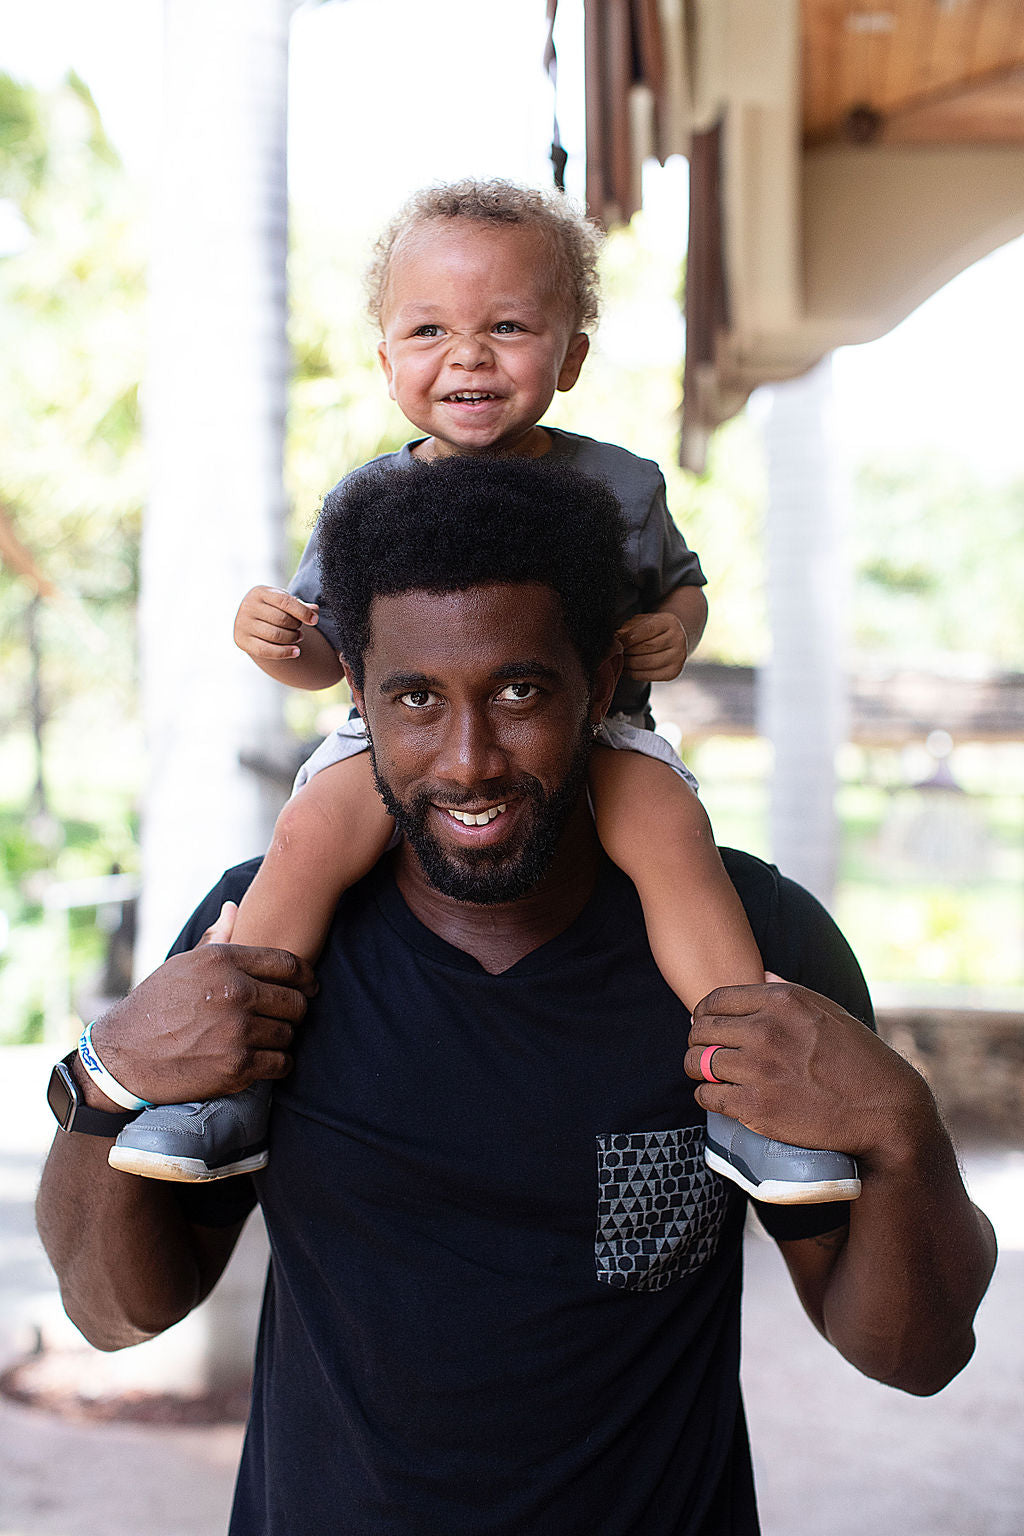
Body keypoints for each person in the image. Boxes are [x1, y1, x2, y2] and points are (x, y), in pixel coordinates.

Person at [38, 455, 995, 1536]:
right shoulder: (261, 946)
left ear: (598, 685)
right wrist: (105, 1076)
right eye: (413, 698)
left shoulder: (756, 944)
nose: (470, 759)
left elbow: (914, 1355)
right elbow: (117, 1313)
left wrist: (905, 1132)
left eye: (519, 691)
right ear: (355, 696)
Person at [109, 179, 856, 1203]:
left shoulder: (620, 486)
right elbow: (331, 660)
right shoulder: (368, 499)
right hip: (397, 742)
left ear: (571, 355)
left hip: (595, 728)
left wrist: (666, 633)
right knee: (309, 831)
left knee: (671, 836)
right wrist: (276, 644)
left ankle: (748, 1094)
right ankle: (224, 1084)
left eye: (506, 326)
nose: (467, 355)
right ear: (385, 362)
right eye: (428, 330)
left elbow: (683, 591)